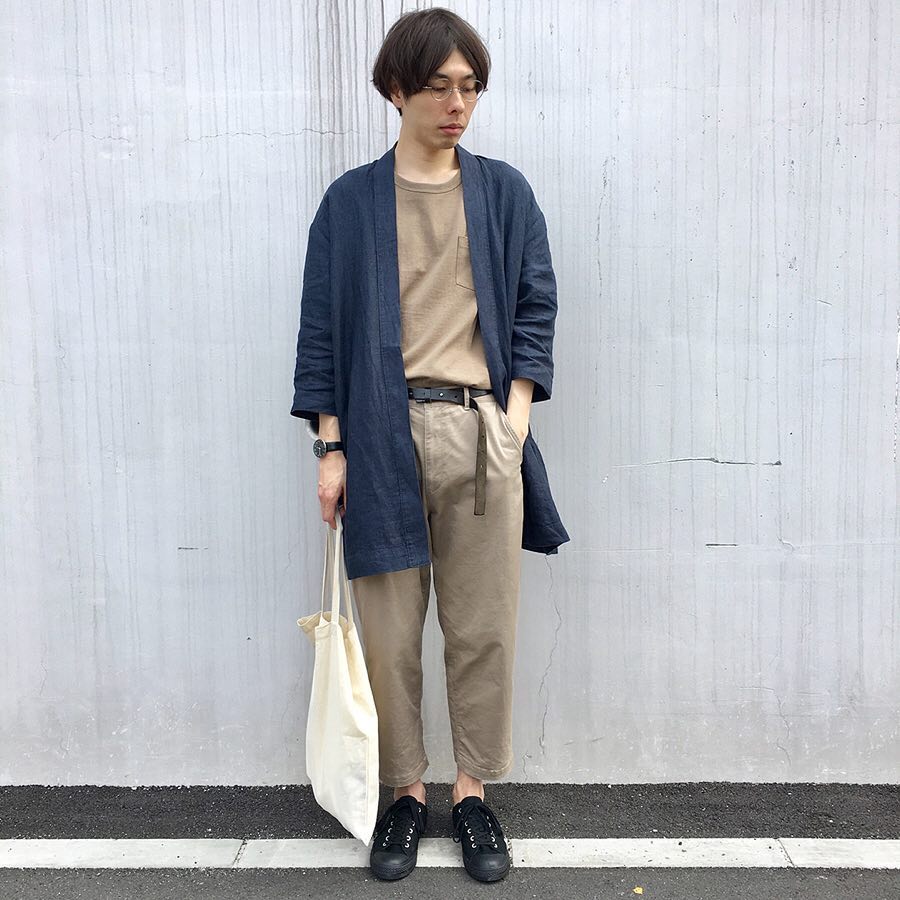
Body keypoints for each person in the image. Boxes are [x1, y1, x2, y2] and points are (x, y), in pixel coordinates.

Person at [291, 7, 568, 884]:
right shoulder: (350, 203)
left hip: (481, 434)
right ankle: (406, 793)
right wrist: (331, 449)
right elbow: (321, 332)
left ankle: (472, 794)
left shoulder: (504, 193)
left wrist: (514, 419)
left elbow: (534, 305)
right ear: (395, 90)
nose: (458, 105)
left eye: (471, 88)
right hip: (379, 433)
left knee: (482, 629)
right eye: (440, 87)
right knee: (389, 635)